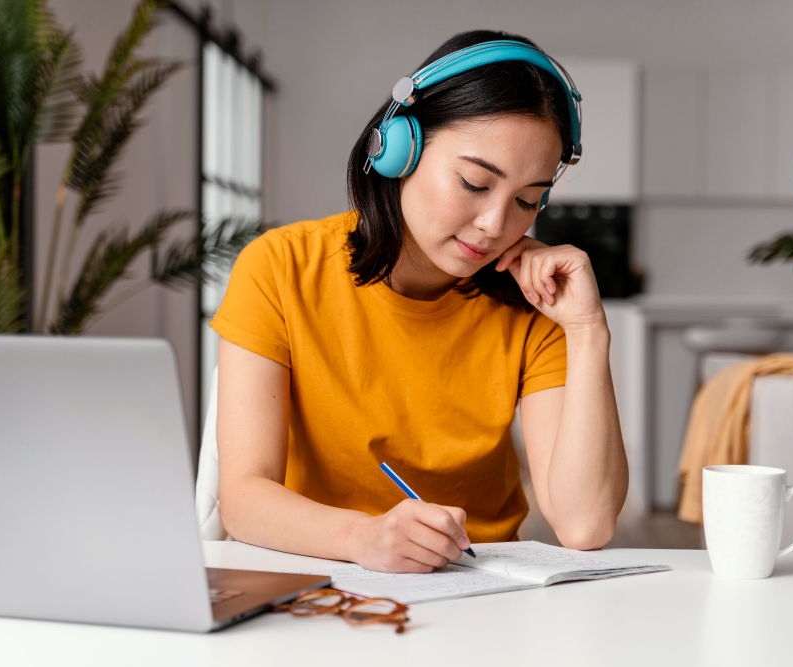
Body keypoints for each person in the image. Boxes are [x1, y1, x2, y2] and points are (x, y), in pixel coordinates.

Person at [212, 29, 628, 574]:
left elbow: (584, 524)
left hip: (481, 590)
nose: (495, 225)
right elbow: (243, 500)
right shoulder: (280, 268)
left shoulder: (539, 301)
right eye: (475, 183)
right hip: (323, 572)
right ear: (399, 148)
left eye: (528, 200)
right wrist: (364, 537)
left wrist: (588, 331)